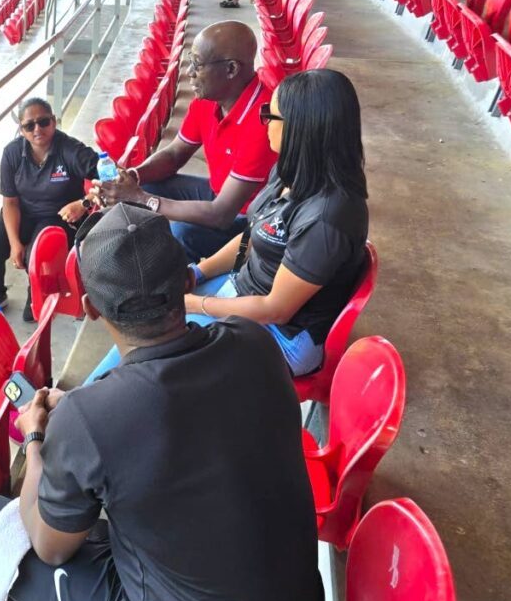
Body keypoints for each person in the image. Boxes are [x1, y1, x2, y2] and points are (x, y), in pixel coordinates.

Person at [0, 203, 324, 601]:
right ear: (187, 283)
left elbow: (50, 548)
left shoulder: (88, 420)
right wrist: (80, 420)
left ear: (88, 308)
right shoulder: (255, 343)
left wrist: (35, 439)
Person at [91, 69, 369, 380]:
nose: (263, 120)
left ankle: (89, 403)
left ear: (301, 129)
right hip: (245, 291)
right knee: (146, 331)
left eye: (270, 114)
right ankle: (85, 398)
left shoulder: (328, 217)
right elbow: (250, 237)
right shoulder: (290, 172)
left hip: (280, 337)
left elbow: (277, 309)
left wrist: (199, 304)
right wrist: (199, 271)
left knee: (155, 355)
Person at [95, 21, 276, 262]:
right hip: (218, 192)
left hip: (249, 220)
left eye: (197, 64)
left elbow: (221, 214)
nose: (189, 72)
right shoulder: (208, 99)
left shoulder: (262, 120)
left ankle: (174, 291)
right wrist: (133, 177)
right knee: (146, 188)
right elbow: (174, 155)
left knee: (180, 234)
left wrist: (140, 198)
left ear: (231, 69)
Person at [0, 97, 99, 321]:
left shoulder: (71, 150)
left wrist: (84, 203)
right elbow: (10, 201)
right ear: (21, 130)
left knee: (35, 256)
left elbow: (110, 179)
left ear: (54, 121)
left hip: (58, 215)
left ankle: (37, 296)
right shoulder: (12, 154)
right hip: (23, 211)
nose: (37, 129)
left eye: (43, 122)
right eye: (29, 125)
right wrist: (14, 244)